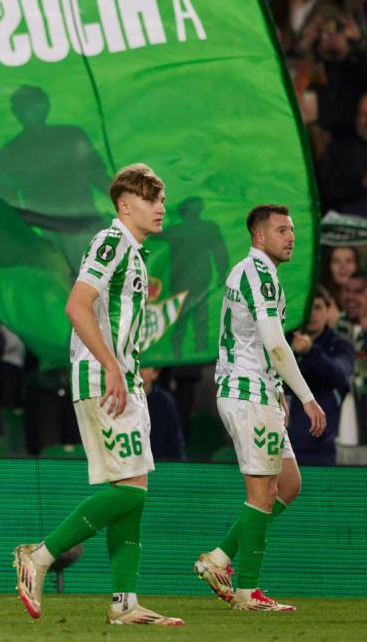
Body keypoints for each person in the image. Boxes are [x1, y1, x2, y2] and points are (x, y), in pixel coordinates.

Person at [13, 163, 183, 626]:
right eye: (151, 199)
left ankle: (124, 603)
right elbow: (77, 304)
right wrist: (110, 365)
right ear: (124, 205)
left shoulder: (135, 252)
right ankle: (39, 556)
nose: (160, 207)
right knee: (130, 494)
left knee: (132, 490)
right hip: (103, 378)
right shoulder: (111, 242)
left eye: (162, 199)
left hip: (123, 379)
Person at [194, 204, 326, 611]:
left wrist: (278, 389)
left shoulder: (257, 273)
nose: (291, 237)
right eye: (281, 230)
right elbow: (274, 343)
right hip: (247, 392)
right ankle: (247, 592)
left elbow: (258, 342)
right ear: (259, 236)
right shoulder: (258, 275)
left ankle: (219, 559)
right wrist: (306, 396)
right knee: (262, 494)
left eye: (292, 230)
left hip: (259, 390)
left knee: (288, 485)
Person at [288, 286, 354, 465]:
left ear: (328, 310)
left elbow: (338, 374)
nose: (311, 314)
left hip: (321, 450)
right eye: (307, 308)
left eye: (317, 307)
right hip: (281, 445)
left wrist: (310, 352)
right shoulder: (282, 342)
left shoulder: (340, 345)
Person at [140, 367, 186, 461]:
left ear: (155, 373)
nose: (138, 369)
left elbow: (175, 445)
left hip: (157, 464)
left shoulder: (165, 402)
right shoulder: (117, 399)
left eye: (144, 365)